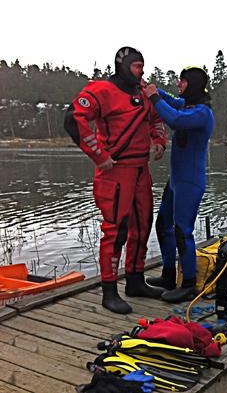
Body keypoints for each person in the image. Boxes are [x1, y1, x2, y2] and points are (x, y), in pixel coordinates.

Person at [64, 46, 167, 314]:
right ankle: (109, 290)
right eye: (136, 66)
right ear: (123, 66)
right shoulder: (101, 91)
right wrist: (98, 155)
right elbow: (74, 118)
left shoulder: (144, 93)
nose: (141, 71)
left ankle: (135, 280)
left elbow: (156, 118)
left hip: (140, 170)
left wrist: (159, 141)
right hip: (115, 171)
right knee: (116, 230)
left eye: (143, 66)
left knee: (144, 225)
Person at [144, 67, 214, 303]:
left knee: (182, 231)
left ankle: (188, 284)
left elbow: (174, 119)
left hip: (190, 181)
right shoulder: (187, 104)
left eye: (182, 82)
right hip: (176, 180)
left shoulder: (202, 113)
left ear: (192, 84)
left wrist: (153, 97)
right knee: (163, 224)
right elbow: (172, 101)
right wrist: (150, 88)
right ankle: (168, 275)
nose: (179, 85)